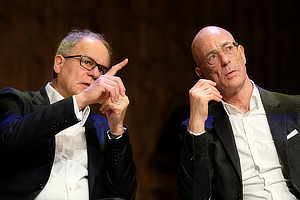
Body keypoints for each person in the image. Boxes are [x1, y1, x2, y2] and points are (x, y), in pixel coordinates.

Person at [0, 29, 137, 200]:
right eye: (87, 61)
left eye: (102, 69)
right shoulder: (18, 102)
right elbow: (8, 139)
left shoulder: (103, 128)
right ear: (58, 63)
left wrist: (116, 129)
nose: (95, 74)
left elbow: (124, 195)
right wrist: (80, 100)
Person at [177, 26, 300, 200]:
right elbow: (195, 196)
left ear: (241, 53)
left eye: (228, 48)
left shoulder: (294, 108)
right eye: (212, 57)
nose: (225, 60)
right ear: (201, 74)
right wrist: (197, 123)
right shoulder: (200, 128)